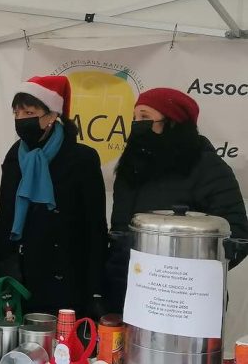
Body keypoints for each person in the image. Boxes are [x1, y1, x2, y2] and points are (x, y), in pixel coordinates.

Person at [105, 87, 248, 313]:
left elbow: (238, 236)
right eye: (134, 117)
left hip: (186, 301)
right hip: (129, 290)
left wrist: (186, 277)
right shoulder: (131, 166)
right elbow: (121, 231)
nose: (136, 124)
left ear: (173, 122)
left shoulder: (207, 168)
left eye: (145, 117)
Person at [0, 76, 108, 318]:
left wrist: (96, 290)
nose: (22, 120)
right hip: (21, 278)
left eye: (30, 112)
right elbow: (4, 218)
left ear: (53, 116)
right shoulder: (15, 156)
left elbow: (95, 228)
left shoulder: (82, 159)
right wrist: (1, 270)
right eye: (17, 113)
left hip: (66, 278)